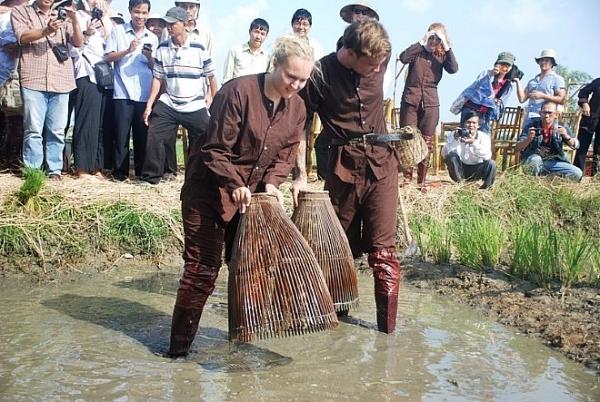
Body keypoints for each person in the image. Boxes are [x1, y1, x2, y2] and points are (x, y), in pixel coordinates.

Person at [167, 34, 314, 357]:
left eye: (303, 80)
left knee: (248, 269)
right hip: (209, 192)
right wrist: (235, 182)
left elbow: (287, 152)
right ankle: (176, 354)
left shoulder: (299, 108)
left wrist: (273, 183)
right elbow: (215, 149)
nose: (295, 85)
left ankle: (240, 346)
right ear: (274, 64)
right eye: (291, 76)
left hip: (250, 199)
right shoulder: (236, 91)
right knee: (202, 271)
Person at [294, 20, 400, 334]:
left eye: (381, 62)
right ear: (351, 53)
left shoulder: (380, 55)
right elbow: (300, 127)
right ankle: (333, 323)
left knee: (383, 255)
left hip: (383, 166)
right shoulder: (319, 74)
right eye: (372, 64)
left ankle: (387, 336)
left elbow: (374, 34)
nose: (378, 68)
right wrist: (300, 175)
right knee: (339, 249)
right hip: (343, 170)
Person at [139, 6, 216, 185]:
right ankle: (151, 177)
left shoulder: (199, 48)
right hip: (170, 102)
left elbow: (212, 77)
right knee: (155, 132)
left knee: (206, 137)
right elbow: (157, 79)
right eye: (168, 23)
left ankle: (202, 179)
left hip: (195, 103)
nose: (169, 27)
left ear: (184, 24)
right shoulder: (162, 49)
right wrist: (150, 105)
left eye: (173, 23)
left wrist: (212, 100)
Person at [11, 0, 84, 180]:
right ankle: (33, 172)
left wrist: (75, 20)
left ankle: (54, 171)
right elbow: (22, 37)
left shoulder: (63, 14)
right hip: (33, 78)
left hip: (61, 80)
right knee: (33, 130)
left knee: (57, 130)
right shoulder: (21, 12)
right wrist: (46, 31)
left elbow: (78, 42)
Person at [398, 23, 458, 188]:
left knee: (427, 142)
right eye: (432, 37)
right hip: (411, 100)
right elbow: (403, 58)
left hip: (431, 102)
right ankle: (407, 179)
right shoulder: (418, 51)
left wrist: (446, 46)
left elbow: (453, 69)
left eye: (437, 38)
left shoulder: (442, 55)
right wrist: (422, 42)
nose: (433, 41)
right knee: (407, 138)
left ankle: (421, 181)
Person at [104, 0, 158, 181]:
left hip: (144, 93)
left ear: (148, 13)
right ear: (129, 11)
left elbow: (156, 68)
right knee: (121, 135)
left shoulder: (152, 37)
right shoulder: (118, 31)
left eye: (144, 13)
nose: (140, 16)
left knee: (142, 135)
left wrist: (149, 57)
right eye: (137, 12)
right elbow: (108, 56)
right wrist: (128, 50)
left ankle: (142, 173)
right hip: (122, 92)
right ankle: (120, 174)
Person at [71, 0, 112, 179]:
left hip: (104, 76)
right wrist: (87, 31)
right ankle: (82, 167)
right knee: (85, 122)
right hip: (86, 73)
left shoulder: (105, 19)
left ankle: (96, 167)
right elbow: (75, 46)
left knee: (100, 125)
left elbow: (111, 41)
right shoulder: (78, 17)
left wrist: (104, 17)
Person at [452, 51, 521, 134]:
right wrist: (491, 74)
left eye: (508, 65)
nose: (505, 68)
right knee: (465, 134)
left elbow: (502, 103)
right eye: (503, 64)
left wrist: (497, 102)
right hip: (471, 108)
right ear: (497, 64)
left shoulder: (508, 85)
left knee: (483, 137)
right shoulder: (486, 73)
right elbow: (476, 86)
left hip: (485, 113)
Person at [516, 101, 582, 181]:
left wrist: (566, 135)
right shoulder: (532, 126)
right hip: (532, 161)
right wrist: (528, 139)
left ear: (556, 115)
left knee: (577, 173)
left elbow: (576, 145)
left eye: (550, 113)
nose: (547, 115)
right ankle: (533, 183)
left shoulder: (561, 126)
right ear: (540, 113)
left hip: (553, 162)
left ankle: (551, 182)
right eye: (544, 112)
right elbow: (517, 147)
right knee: (535, 160)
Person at [0, 0, 27, 170]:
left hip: (18, 75)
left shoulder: (31, 13)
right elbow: (10, 45)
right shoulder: (4, 13)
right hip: (4, 72)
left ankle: (10, 161)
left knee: (16, 120)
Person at [441, 111, 496, 189]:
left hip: (477, 169)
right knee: (451, 156)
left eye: (474, 123)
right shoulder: (455, 134)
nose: (471, 125)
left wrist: (474, 143)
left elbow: (487, 156)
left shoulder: (484, 137)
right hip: (461, 169)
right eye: (468, 122)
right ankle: (460, 184)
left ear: (478, 125)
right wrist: (455, 139)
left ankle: (486, 188)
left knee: (492, 163)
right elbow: (445, 154)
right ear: (463, 124)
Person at [515, 49, 566, 126]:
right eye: (541, 60)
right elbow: (522, 99)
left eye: (546, 60)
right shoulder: (532, 81)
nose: (543, 62)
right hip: (530, 118)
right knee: (526, 137)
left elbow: (561, 99)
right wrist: (517, 82)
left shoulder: (557, 79)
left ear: (552, 63)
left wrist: (543, 96)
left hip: (547, 119)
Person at [222, 18, 269, 84]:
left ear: (266, 36)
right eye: (256, 32)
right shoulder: (235, 51)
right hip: (236, 92)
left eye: (262, 34)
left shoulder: (268, 58)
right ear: (250, 31)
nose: (258, 36)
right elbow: (226, 79)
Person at [574, 77, 600, 176]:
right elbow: (583, 92)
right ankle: (576, 176)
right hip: (590, 119)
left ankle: (596, 179)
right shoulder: (597, 81)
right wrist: (584, 103)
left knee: (598, 151)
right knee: (581, 149)